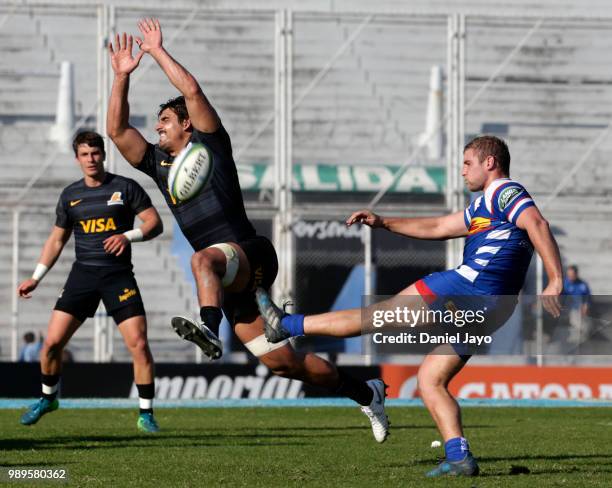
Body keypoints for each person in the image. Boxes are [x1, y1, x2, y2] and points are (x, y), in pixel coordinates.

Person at [105, 19, 389, 442]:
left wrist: (158, 52)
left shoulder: (210, 144)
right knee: (283, 364)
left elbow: (194, 93)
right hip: (228, 276)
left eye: (165, 119)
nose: (158, 126)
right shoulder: (157, 165)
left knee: (203, 258)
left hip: (250, 252)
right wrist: (122, 77)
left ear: (186, 124)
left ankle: (207, 327)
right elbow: (116, 131)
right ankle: (366, 392)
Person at [257, 135, 563, 477]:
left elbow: (537, 223)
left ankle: (286, 325)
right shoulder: (483, 207)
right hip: (495, 307)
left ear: (489, 163)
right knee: (431, 378)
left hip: (467, 287)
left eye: (467, 163)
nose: (462, 171)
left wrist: (555, 279)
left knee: (375, 317)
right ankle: (459, 457)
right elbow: (437, 226)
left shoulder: (505, 192)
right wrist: (384, 223)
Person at [17, 131, 163, 433]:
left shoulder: (125, 187)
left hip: (118, 276)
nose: (91, 159)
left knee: (138, 344)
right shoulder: (70, 195)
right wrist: (36, 277)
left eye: (95, 153)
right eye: (85, 154)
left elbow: (154, 224)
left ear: (104, 154)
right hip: (83, 276)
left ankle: (146, 413)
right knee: (52, 344)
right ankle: (48, 398)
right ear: (77, 159)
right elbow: (57, 240)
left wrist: (128, 235)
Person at [563, 265, 591, 343]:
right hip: (568, 310)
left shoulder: (583, 284)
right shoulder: (564, 284)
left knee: (583, 326)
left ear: (576, 274)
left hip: (579, 310)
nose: (570, 277)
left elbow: (587, 298)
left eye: (572, 275)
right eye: (569, 275)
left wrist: (586, 306)